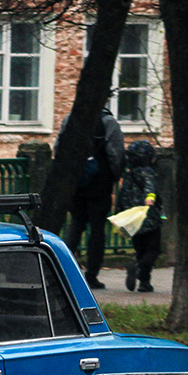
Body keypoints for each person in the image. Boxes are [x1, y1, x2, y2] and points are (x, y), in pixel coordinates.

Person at [61, 104, 125, 289]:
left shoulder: (70, 119)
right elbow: (116, 154)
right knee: (97, 231)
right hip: (100, 183)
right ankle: (91, 275)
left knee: (76, 225)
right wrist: (114, 177)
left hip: (76, 184)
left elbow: (60, 147)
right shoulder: (109, 122)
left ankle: (64, 271)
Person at [117, 139, 163, 292]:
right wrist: (151, 198)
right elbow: (150, 187)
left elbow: (122, 195)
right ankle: (138, 269)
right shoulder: (147, 172)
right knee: (153, 249)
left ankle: (144, 282)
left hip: (133, 219)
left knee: (141, 250)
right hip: (148, 217)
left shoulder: (129, 175)